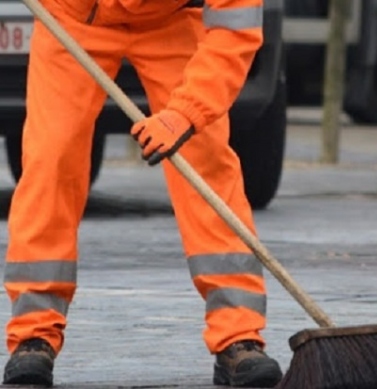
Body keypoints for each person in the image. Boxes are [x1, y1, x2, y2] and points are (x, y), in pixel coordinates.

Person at [2, 0, 283, 387]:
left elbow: (235, 30)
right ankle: (33, 335)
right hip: (73, 15)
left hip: (171, 19)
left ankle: (239, 336)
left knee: (205, 159)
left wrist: (186, 113)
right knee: (51, 160)